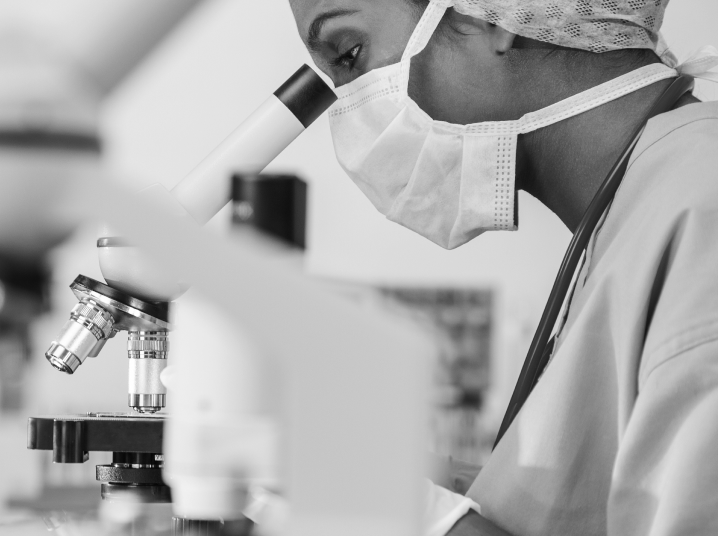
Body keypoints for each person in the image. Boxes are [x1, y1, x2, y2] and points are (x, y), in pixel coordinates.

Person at [288, 0, 718, 535]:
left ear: (490, 18)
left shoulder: (702, 214)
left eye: (350, 55)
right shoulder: (635, 207)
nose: (348, 112)